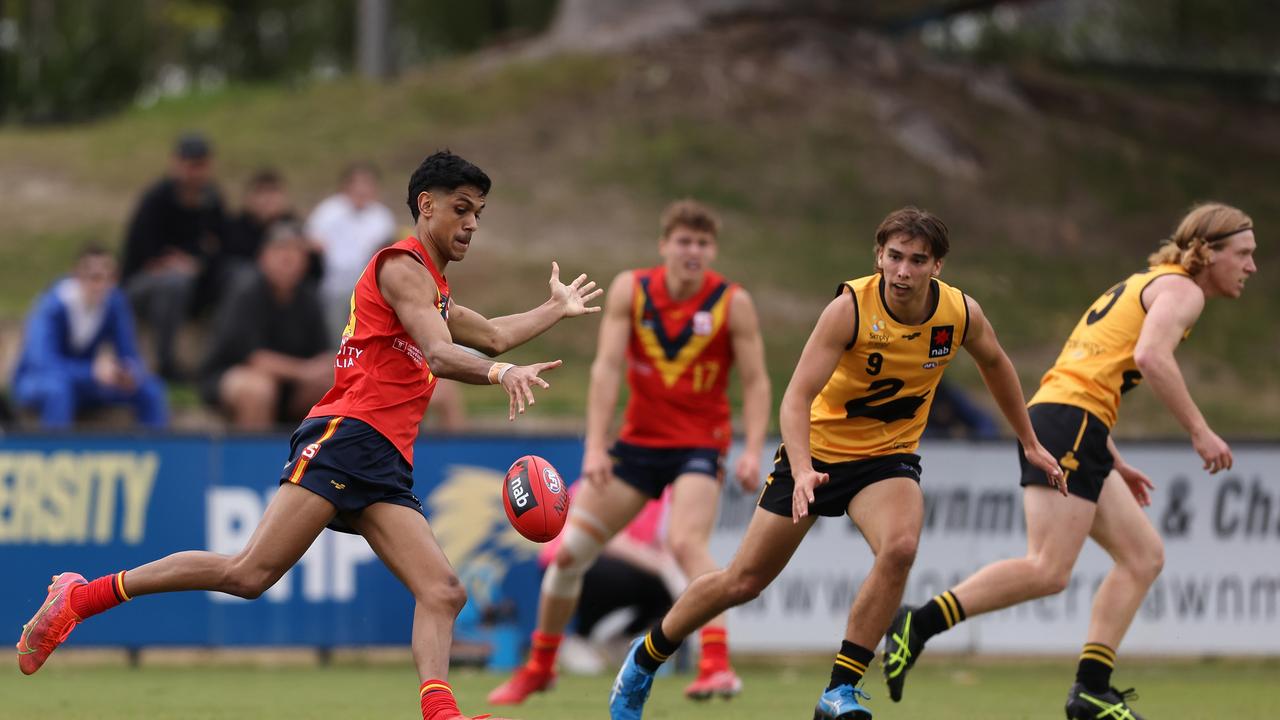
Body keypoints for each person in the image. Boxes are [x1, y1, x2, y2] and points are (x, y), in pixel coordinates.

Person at [15, 150, 603, 720]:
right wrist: (501, 375)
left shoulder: (434, 290)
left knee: (444, 591)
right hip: (350, 435)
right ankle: (80, 597)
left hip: (385, 459)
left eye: (478, 213)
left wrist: (554, 309)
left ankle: (439, 713)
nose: (472, 223)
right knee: (247, 574)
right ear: (427, 205)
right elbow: (443, 353)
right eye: (462, 208)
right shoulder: (401, 267)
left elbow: (494, 335)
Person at [606, 206, 1064, 720]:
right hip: (817, 454)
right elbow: (795, 397)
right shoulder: (849, 308)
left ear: (938, 266)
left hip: (887, 459)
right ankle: (644, 660)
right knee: (742, 582)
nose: (903, 271)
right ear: (879, 256)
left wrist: (1026, 439)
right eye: (894, 257)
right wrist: (801, 470)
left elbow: (996, 364)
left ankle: (839, 689)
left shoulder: (959, 314)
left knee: (901, 547)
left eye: (917, 260)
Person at [881, 202, 1257, 720]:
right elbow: (1150, 357)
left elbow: (1088, 373)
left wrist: (1111, 456)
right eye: (1243, 253)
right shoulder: (1184, 291)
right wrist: (1200, 430)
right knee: (1048, 568)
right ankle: (917, 623)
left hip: (1074, 422)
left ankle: (1092, 690)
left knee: (1143, 555)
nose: (1251, 266)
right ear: (1208, 252)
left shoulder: (1148, 282)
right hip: (1070, 423)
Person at [488, 199, 771, 706]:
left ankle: (716, 663)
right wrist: (595, 447)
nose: (693, 251)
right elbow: (605, 370)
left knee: (686, 544)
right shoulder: (632, 289)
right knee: (569, 555)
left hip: (699, 448)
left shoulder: (733, 302)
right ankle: (540, 666)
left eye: (703, 243)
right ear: (664, 245)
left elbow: (755, 381)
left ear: (713, 250)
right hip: (638, 447)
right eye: (684, 241)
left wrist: (752, 449)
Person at [11, 244, 168, 430]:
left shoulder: (114, 303)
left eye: (109, 278)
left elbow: (129, 353)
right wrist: (91, 372)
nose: (101, 285)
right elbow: (44, 364)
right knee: (58, 391)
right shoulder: (51, 307)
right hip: (37, 381)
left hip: (86, 382)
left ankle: (154, 454)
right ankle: (57, 454)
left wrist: (126, 373)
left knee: (151, 389)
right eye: (95, 278)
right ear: (77, 277)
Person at [198, 222, 333, 430]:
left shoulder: (309, 297)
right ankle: (252, 462)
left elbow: (323, 354)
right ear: (263, 257)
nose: (287, 258)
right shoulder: (246, 292)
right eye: (280, 250)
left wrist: (324, 367)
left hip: (291, 384)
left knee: (332, 385)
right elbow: (255, 358)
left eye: (295, 251)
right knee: (258, 389)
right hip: (232, 374)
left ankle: (311, 459)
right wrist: (305, 371)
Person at [120, 132, 228, 380]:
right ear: (176, 164)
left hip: (193, 282)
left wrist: (194, 262)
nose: (194, 171)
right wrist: (179, 262)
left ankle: (222, 361)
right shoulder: (156, 199)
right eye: (189, 164)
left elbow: (222, 246)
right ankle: (166, 362)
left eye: (200, 165)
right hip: (143, 286)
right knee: (174, 281)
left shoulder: (212, 200)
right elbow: (143, 255)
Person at [306, 161, 398, 337]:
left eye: (367, 183)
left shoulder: (382, 216)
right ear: (345, 186)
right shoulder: (329, 211)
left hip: (368, 286)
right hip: (331, 285)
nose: (361, 189)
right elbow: (312, 240)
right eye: (357, 183)